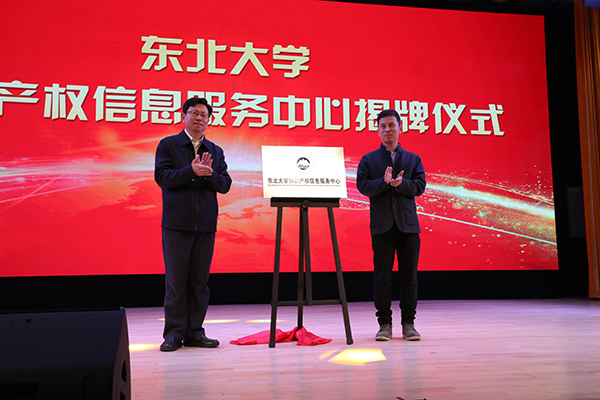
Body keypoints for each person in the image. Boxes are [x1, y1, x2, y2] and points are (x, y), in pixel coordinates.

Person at [154, 97, 232, 351]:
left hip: (206, 225)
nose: (199, 118)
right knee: (176, 283)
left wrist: (208, 173)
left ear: (209, 120)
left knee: (199, 283)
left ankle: (195, 332)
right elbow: (162, 177)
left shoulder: (215, 151)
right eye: (194, 113)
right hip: (176, 224)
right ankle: (174, 334)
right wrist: (191, 171)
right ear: (184, 116)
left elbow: (225, 185)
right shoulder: (169, 145)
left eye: (204, 115)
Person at [356, 109, 426, 341]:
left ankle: (409, 324)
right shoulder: (369, 160)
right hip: (382, 226)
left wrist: (401, 184)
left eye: (391, 125)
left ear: (400, 128)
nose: (387, 130)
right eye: (383, 126)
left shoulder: (413, 159)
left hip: (408, 226)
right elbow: (363, 186)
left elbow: (420, 186)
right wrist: (384, 182)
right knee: (382, 278)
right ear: (378, 130)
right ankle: (384, 324)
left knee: (409, 278)